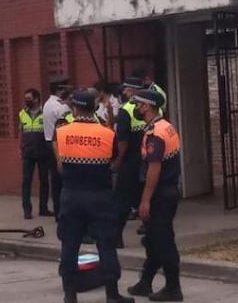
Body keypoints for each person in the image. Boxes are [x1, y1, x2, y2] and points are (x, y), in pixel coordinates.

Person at [53, 89, 133, 303]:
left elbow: (60, 166)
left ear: (75, 107)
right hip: (100, 197)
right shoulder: (108, 134)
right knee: (106, 244)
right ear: (94, 108)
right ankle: (112, 294)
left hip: (71, 196)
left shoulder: (62, 133)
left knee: (70, 244)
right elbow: (114, 161)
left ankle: (70, 294)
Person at [127, 89, 183, 302]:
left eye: (139, 105)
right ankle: (146, 282)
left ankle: (173, 288)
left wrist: (145, 200)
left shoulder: (155, 134)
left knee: (164, 240)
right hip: (167, 192)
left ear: (147, 106)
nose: (137, 108)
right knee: (152, 240)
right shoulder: (166, 126)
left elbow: (154, 168)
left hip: (161, 194)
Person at [112, 77, 146, 248]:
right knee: (147, 197)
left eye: (126, 90)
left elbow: (123, 140)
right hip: (148, 159)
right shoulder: (153, 107)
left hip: (131, 160)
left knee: (122, 200)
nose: (124, 93)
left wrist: (118, 160)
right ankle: (150, 233)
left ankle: (117, 236)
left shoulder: (126, 110)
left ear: (133, 90)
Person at [18, 88, 53, 219]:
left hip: (43, 151)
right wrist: (19, 148)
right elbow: (21, 131)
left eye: (29, 98)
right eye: (26, 98)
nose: (27, 101)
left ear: (37, 99)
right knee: (26, 181)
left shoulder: (45, 113)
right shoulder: (22, 113)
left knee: (44, 181)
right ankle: (27, 210)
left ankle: (43, 208)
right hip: (28, 152)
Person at [42, 75, 72, 218]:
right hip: (58, 144)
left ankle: (58, 211)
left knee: (55, 180)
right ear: (60, 90)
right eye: (66, 88)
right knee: (63, 180)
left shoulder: (47, 104)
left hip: (48, 143)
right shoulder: (60, 107)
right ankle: (63, 212)